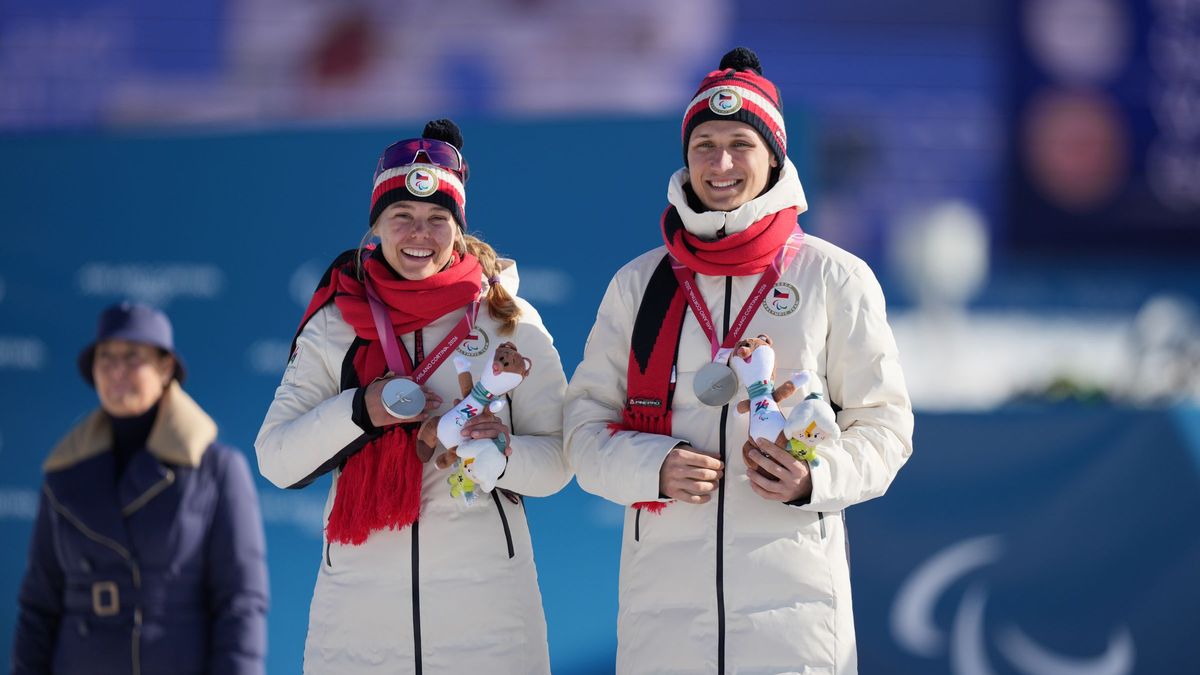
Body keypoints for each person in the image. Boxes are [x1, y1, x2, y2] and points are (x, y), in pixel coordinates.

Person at [564, 47, 914, 673]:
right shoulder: (640, 284)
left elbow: (886, 427)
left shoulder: (835, 278)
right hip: (663, 615)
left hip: (795, 612)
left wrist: (817, 478)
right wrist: (652, 466)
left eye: (739, 144)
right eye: (703, 145)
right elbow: (583, 428)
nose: (720, 164)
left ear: (774, 156)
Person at [255, 119, 570, 674]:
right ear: (376, 226)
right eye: (402, 217)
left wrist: (498, 455)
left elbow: (560, 460)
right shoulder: (336, 322)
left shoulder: (507, 320)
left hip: (489, 623)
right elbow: (277, 459)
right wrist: (359, 411)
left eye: (437, 220)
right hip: (357, 622)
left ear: (458, 228)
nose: (419, 235)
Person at [12, 302, 269, 675]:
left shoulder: (215, 469)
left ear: (165, 369)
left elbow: (241, 602)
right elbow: (39, 605)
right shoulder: (63, 473)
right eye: (106, 357)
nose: (116, 370)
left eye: (133, 357)